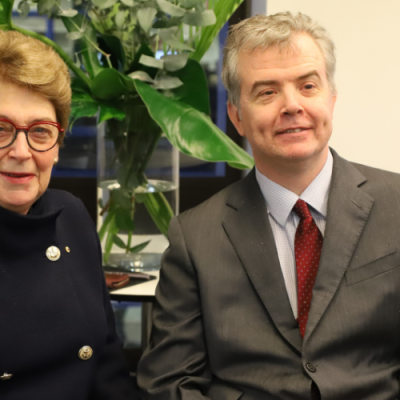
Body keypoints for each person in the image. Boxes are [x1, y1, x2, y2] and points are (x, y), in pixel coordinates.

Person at [137, 11, 400, 400]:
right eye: (267, 92)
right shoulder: (195, 237)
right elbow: (169, 383)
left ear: (331, 98)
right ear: (236, 116)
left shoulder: (395, 205)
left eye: (307, 86)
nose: (291, 105)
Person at [0, 30, 135, 399]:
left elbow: (106, 360)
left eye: (41, 132)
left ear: (58, 147)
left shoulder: (70, 216)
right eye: (1, 129)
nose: (21, 151)